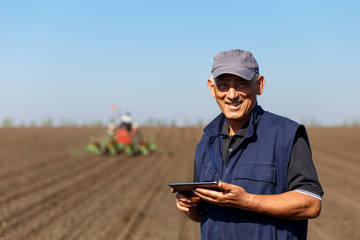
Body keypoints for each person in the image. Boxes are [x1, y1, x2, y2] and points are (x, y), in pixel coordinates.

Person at [172, 49, 323, 239]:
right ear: (212, 88)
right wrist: (190, 205)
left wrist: (246, 200)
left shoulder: (287, 134)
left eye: (241, 84)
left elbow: (311, 203)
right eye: (223, 85)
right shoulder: (206, 141)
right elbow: (201, 215)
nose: (232, 94)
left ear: (259, 85)